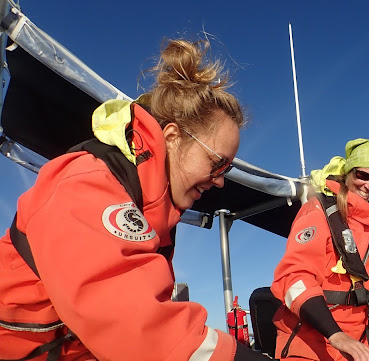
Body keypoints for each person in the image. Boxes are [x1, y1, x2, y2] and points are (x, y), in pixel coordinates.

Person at [0, 38, 269, 361]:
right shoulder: (88, 183)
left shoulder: (149, 213)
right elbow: (137, 327)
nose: (221, 180)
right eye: (217, 163)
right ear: (171, 138)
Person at [271, 139, 369, 361]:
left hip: (359, 346)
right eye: (363, 175)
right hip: (309, 344)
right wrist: (335, 334)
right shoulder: (317, 211)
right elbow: (294, 278)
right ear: (348, 173)